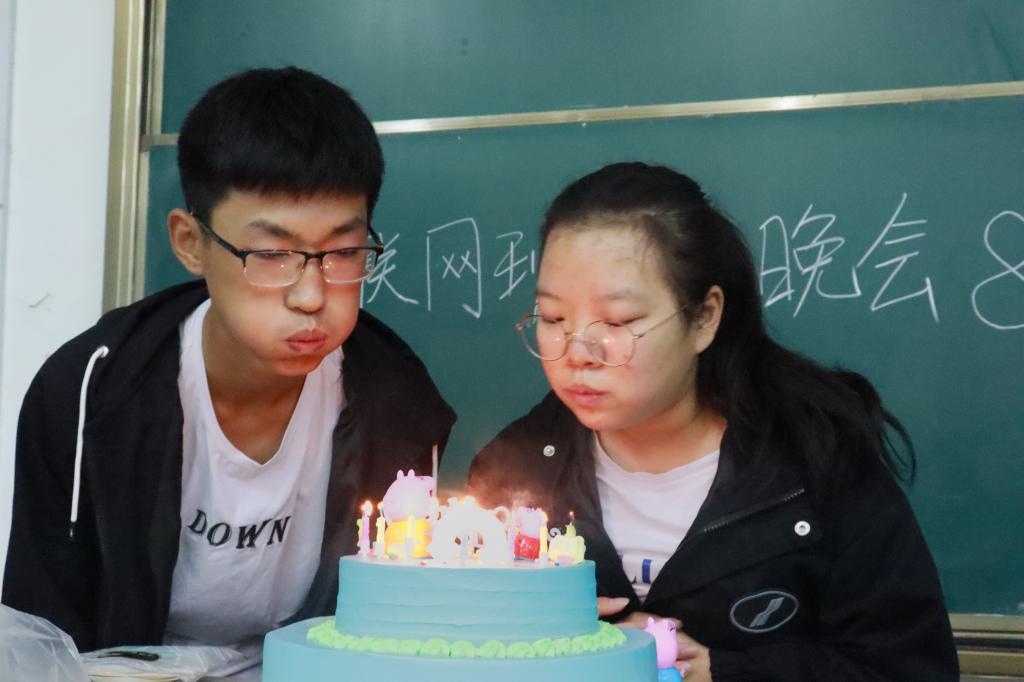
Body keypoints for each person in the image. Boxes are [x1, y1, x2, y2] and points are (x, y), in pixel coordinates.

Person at [2, 67, 455, 667]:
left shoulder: (398, 401)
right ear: (190, 242)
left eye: (344, 252)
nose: (311, 295)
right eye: (271, 255)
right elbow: (38, 635)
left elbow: (396, 624)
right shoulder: (89, 390)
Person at [469, 162, 958, 681]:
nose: (577, 352)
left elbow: (909, 669)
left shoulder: (817, 463)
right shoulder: (514, 474)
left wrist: (726, 673)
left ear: (703, 317)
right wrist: (547, 639)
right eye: (552, 319)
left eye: (617, 321)